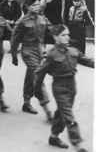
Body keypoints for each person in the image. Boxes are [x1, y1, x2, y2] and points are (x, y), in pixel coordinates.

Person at [35, 24, 93, 152]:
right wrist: (37, 90)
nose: (67, 37)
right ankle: (77, 144)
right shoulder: (51, 55)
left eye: (68, 35)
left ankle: (53, 136)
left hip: (72, 86)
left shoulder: (73, 50)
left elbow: (87, 61)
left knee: (61, 113)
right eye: (63, 35)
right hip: (59, 87)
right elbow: (40, 73)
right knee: (68, 115)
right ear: (56, 37)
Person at [10, 0, 52, 121]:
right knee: (38, 75)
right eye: (34, 4)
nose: (37, 6)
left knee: (31, 76)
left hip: (39, 51)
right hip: (28, 51)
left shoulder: (42, 18)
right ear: (27, 6)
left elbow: (52, 31)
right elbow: (14, 39)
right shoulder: (23, 21)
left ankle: (26, 102)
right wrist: (13, 55)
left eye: (38, 4)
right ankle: (47, 109)